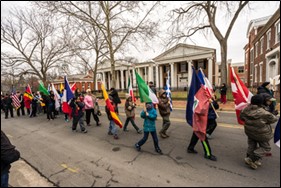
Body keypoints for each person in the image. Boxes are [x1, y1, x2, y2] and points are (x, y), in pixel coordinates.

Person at [240, 94, 278, 169]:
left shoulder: (245, 109)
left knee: (252, 145)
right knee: (266, 148)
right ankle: (251, 158)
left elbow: (242, 118)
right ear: (261, 102)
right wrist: (273, 114)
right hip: (261, 134)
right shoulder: (264, 112)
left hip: (249, 132)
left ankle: (252, 160)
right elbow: (273, 119)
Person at [187, 97, 218, 161]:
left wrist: (213, 102)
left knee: (196, 134)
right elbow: (200, 109)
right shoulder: (200, 97)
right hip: (202, 121)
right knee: (202, 136)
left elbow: (216, 106)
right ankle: (208, 154)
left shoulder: (210, 98)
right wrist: (208, 103)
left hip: (209, 120)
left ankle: (190, 148)